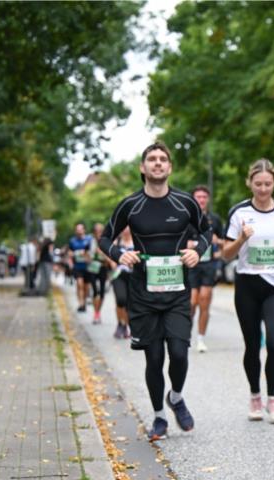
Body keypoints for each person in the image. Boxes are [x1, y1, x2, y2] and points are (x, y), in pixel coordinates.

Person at [99, 142, 211, 441]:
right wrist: (118, 254)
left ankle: (175, 397)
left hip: (176, 292)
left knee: (178, 352)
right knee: (154, 358)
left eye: (163, 159)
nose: (158, 163)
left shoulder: (184, 203)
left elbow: (207, 231)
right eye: (152, 159)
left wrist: (197, 251)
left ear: (169, 167)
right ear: (143, 167)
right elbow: (105, 237)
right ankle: (159, 418)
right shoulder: (130, 205)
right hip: (142, 293)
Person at [222, 158, 274, 424]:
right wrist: (241, 238)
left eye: (267, 184)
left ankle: (273, 398)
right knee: (252, 346)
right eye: (258, 184)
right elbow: (225, 254)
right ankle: (255, 395)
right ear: (249, 183)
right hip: (247, 286)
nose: (263, 189)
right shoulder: (239, 213)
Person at [188, 185, 225, 352]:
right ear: (193, 199)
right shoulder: (186, 218)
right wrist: (185, 244)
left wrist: (218, 241)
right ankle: (185, 335)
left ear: (208, 199)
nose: (201, 200)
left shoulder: (215, 220)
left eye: (204, 197)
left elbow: (226, 243)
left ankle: (201, 339)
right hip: (191, 265)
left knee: (204, 301)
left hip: (208, 265)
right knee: (191, 302)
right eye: (198, 197)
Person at [111, 227, 134, 339]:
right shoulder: (117, 241)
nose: (125, 230)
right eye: (123, 227)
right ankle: (121, 323)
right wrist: (113, 264)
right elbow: (109, 254)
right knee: (121, 299)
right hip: (119, 274)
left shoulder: (136, 240)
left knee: (130, 303)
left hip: (133, 275)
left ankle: (127, 326)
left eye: (128, 227)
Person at [68, 223, 92, 311]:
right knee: (79, 284)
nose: (79, 231)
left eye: (80, 229)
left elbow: (93, 251)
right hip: (77, 266)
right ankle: (81, 303)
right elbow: (69, 253)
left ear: (84, 230)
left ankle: (84, 301)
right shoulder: (72, 241)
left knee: (86, 287)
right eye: (77, 229)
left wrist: (86, 255)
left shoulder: (89, 239)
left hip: (88, 267)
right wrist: (71, 262)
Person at [89, 223, 110, 323]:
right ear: (94, 232)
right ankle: (95, 313)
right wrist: (90, 256)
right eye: (97, 231)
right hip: (93, 267)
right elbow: (86, 255)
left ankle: (98, 312)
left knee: (102, 291)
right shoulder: (90, 242)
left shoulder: (107, 242)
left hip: (103, 267)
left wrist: (103, 255)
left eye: (101, 230)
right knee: (95, 291)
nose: (99, 232)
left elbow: (110, 257)